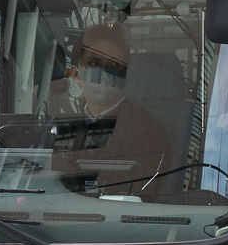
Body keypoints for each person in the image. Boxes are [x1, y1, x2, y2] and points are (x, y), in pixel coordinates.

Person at [46, 23, 175, 195]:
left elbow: (139, 193)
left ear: (125, 75)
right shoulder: (62, 127)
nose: (104, 72)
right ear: (76, 75)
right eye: (94, 63)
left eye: (115, 65)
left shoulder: (147, 129)